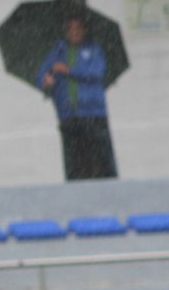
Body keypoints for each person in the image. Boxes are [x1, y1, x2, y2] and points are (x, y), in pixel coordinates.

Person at [36, 15, 117, 181]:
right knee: (74, 163)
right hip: (68, 115)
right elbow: (41, 77)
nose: (74, 33)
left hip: (93, 114)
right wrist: (47, 81)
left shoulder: (94, 50)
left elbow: (96, 73)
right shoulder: (57, 52)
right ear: (65, 32)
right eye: (70, 29)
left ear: (84, 30)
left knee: (101, 159)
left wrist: (69, 71)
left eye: (78, 29)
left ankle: (109, 191)